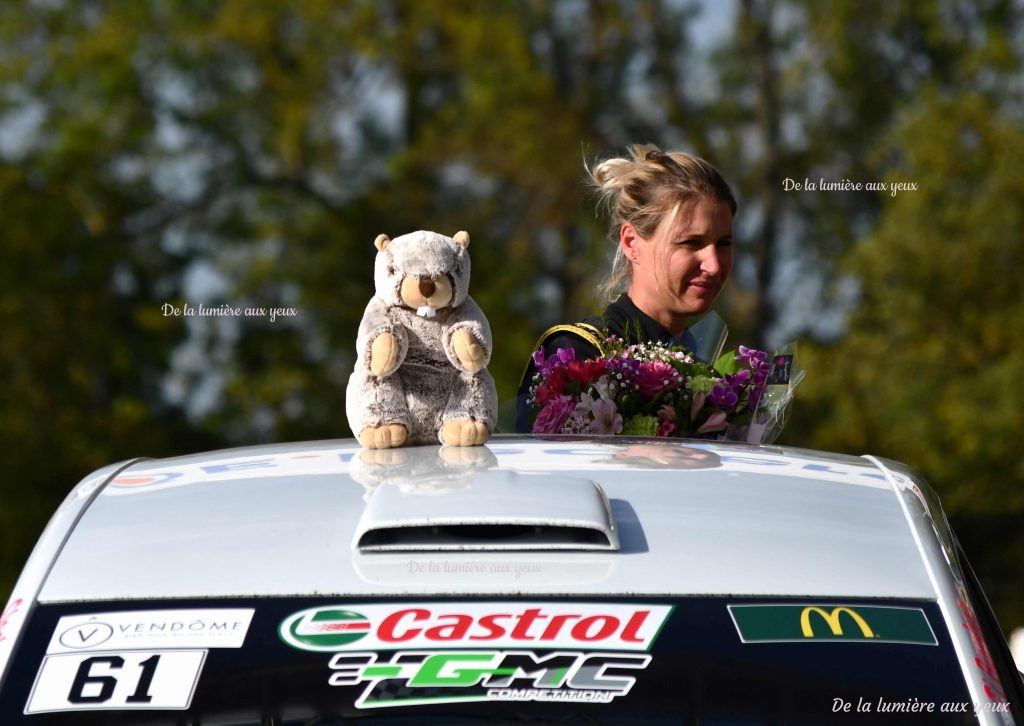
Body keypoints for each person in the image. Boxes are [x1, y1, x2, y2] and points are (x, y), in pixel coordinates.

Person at [515, 143, 737, 432]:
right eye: (690, 243)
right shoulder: (577, 355)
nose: (714, 265)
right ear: (632, 243)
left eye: (724, 244)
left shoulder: (709, 376)